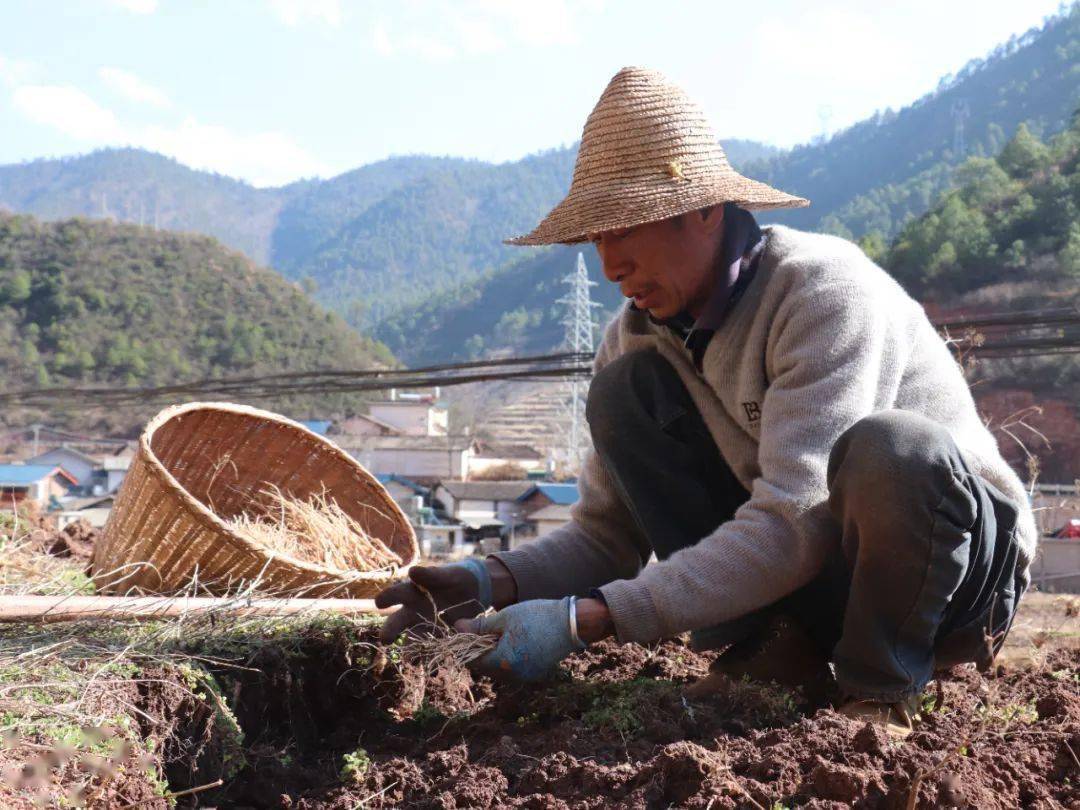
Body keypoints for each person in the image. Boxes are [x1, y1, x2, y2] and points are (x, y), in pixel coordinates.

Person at [376, 67, 1037, 738]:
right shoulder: (634, 342)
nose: (610, 265)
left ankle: (882, 687)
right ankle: (781, 649)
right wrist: (488, 581)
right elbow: (607, 538)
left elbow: (794, 521)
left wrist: (590, 619)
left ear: (704, 210)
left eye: (626, 226)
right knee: (622, 393)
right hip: (817, 568)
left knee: (892, 448)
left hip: (953, 577)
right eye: (596, 237)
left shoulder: (821, 295)